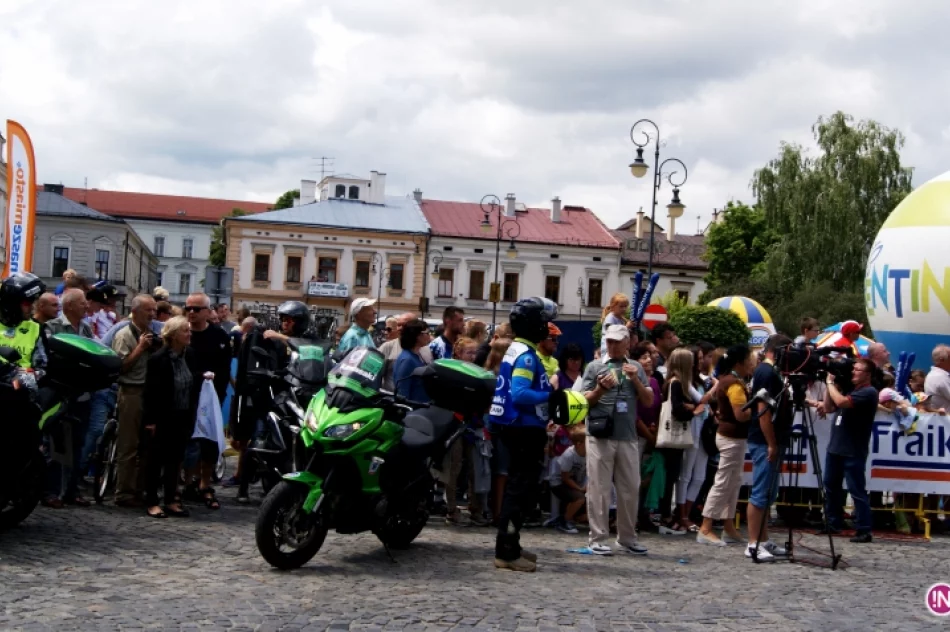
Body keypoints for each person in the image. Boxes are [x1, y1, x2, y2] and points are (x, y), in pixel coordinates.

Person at [489, 297, 558, 572]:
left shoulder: (517, 349)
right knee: (518, 490)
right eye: (544, 322)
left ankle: (512, 544)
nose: (547, 327)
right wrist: (550, 397)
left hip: (514, 426)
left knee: (519, 489)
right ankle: (506, 552)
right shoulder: (527, 356)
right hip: (522, 428)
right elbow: (519, 394)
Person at [578, 324, 654, 555]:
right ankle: (598, 538)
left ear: (627, 343)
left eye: (617, 341)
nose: (612, 346)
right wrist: (600, 389)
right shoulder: (594, 366)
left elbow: (649, 400)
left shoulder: (636, 367)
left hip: (627, 435)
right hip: (601, 434)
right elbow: (583, 400)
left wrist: (636, 381)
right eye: (609, 341)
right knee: (599, 488)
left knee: (630, 487)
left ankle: (627, 537)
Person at [143, 316, 204, 519]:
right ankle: (152, 501)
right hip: (162, 417)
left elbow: (194, 385)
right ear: (174, 335)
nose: (189, 334)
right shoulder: (158, 359)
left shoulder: (191, 355)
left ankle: (171, 499)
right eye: (185, 331)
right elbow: (150, 392)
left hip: (183, 415)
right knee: (155, 460)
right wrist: (150, 421)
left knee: (175, 460)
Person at [697, 344, 756, 546]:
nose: (752, 363)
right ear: (739, 362)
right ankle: (706, 527)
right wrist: (758, 411)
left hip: (732, 438)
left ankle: (728, 525)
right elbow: (740, 415)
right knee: (723, 482)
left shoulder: (729, 380)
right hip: (731, 438)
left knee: (733, 482)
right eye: (749, 360)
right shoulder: (734, 385)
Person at [47, 288, 99, 506]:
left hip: (83, 395)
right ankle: (51, 491)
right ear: (68, 306)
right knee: (55, 444)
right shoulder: (53, 327)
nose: (86, 306)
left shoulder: (86, 328)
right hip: (59, 394)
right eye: (82, 303)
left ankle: (72, 490)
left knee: (78, 443)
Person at [745, 334, 793, 560]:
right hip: (764, 440)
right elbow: (762, 409)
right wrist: (771, 443)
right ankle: (753, 542)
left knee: (768, 493)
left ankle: (763, 540)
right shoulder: (766, 372)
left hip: (771, 438)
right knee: (761, 492)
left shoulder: (770, 372)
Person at [821, 358, 879, 543]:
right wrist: (832, 383)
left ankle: (864, 529)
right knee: (831, 487)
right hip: (836, 447)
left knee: (856, 490)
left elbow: (842, 402)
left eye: (858, 370)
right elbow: (830, 406)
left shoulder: (868, 392)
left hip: (853, 449)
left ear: (868, 374)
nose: (853, 372)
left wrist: (830, 383)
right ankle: (833, 522)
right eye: (853, 369)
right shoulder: (850, 388)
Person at [183, 292, 231, 511]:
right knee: (188, 440)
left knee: (209, 441)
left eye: (196, 309)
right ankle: (187, 482)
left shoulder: (219, 336)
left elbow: (225, 367)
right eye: (188, 308)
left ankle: (204, 484)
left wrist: (217, 393)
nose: (191, 313)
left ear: (207, 311)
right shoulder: (181, 333)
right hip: (185, 395)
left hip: (211, 397)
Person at [111, 294, 158, 507]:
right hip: (131, 392)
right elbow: (120, 367)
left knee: (146, 447)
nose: (152, 314)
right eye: (148, 310)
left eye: (154, 310)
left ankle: (139, 490)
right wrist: (139, 348)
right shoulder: (124, 335)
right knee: (128, 445)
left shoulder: (151, 334)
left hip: (148, 393)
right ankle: (124, 492)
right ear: (136, 311)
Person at [676, 345, 718, 533]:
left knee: (699, 476)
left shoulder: (700, 380)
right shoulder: (686, 382)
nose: (701, 361)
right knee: (685, 475)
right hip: (692, 430)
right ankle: (681, 514)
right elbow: (701, 399)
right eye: (699, 358)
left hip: (703, 431)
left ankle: (688, 511)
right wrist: (717, 385)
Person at [440, 336, 479, 526]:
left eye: (474, 353)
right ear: (458, 353)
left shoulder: (478, 371)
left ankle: (475, 507)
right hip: (453, 422)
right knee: (453, 467)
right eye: (469, 353)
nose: (472, 356)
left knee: (473, 466)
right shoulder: (450, 369)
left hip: (472, 423)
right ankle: (451, 508)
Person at [656, 348, 696, 535]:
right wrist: (692, 410)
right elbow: (677, 410)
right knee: (670, 477)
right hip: (672, 437)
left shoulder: (672, 382)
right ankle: (665, 516)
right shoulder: (677, 383)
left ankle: (665, 514)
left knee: (670, 476)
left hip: (671, 439)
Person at [549, 425, 588, 534]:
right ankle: (565, 521)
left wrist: (586, 486)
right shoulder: (569, 455)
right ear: (579, 443)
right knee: (579, 498)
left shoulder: (589, 454)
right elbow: (565, 477)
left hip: (574, 482)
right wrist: (580, 489)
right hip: (559, 483)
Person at [379, 312, 433, 390]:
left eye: (404, 325)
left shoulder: (426, 349)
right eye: (398, 325)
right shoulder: (388, 347)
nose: (399, 328)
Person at [393, 318, 431, 404]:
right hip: (413, 412)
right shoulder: (407, 360)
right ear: (417, 336)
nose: (429, 336)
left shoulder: (416, 355)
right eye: (427, 333)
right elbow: (402, 392)